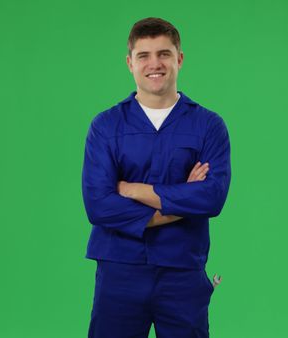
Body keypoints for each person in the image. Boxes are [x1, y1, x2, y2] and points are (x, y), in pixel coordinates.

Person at [81, 17, 231, 338]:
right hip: (120, 270)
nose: (155, 64)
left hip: (182, 271)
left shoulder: (208, 125)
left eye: (164, 54)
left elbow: (212, 197)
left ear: (179, 59)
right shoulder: (106, 126)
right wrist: (180, 201)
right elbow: (99, 206)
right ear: (129, 63)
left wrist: (132, 189)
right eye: (143, 56)